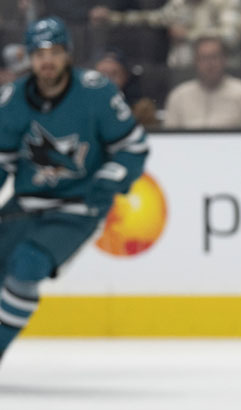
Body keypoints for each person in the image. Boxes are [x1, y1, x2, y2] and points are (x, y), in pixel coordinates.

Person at [0, 16, 147, 365]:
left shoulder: (96, 92)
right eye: (39, 54)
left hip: (76, 210)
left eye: (54, 52)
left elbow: (133, 147)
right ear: (30, 58)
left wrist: (111, 177)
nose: (47, 61)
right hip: (25, 206)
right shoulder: (13, 100)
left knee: (28, 265)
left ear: (68, 53)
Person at [88, 0, 241, 68]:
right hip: (181, 75)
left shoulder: (228, 2)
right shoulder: (180, 4)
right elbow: (151, 18)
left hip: (225, 75)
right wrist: (112, 18)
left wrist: (188, 35)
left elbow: (231, 36)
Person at [163, 34, 241, 128]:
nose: (210, 64)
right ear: (195, 61)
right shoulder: (179, 96)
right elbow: (169, 139)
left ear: (225, 59)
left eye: (214, 57)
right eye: (204, 58)